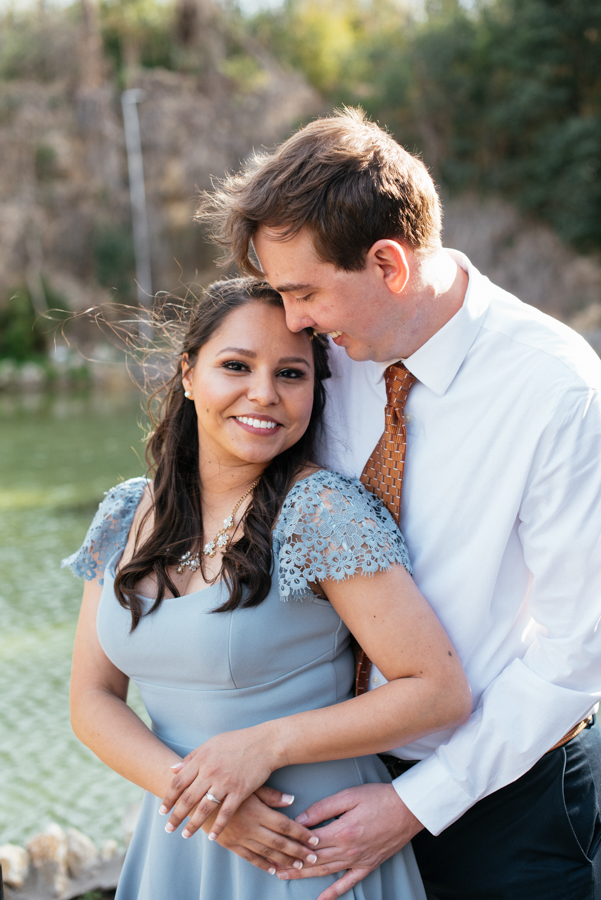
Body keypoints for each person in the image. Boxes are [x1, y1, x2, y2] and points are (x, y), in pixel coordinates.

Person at [194, 108, 601, 900]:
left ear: (387, 264)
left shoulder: (556, 390)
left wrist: (420, 801)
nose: (295, 318)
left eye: (306, 291)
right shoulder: (318, 358)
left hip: (507, 799)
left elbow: (577, 648)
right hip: (325, 783)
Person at [64, 278, 471, 900]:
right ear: (188, 373)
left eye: (291, 374)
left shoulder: (321, 511)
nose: (264, 394)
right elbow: (92, 701)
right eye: (235, 366)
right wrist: (201, 800)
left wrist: (263, 745)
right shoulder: (124, 514)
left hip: (305, 847)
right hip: (181, 839)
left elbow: (437, 692)